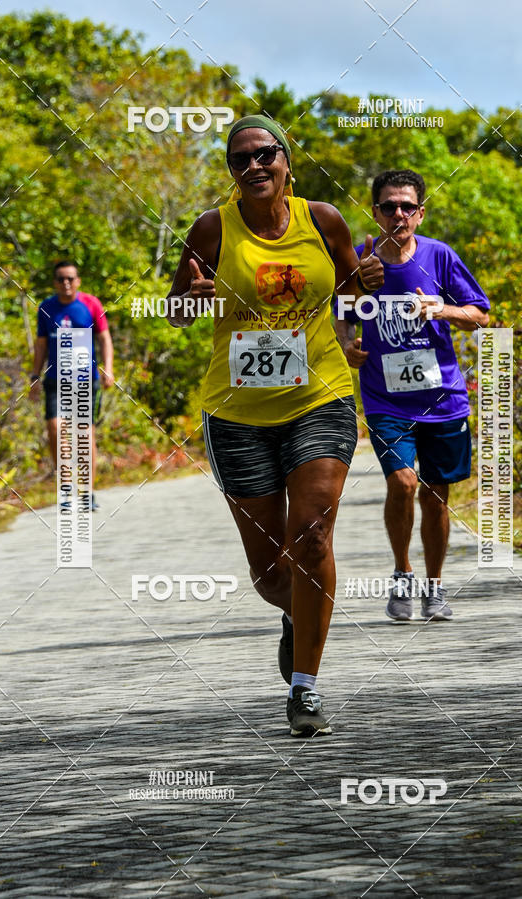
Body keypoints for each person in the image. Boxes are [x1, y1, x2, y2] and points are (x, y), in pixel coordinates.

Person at [167, 115, 383, 737]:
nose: (254, 166)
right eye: (240, 160)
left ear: (287, 161)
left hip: (320, 395)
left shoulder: (325, 220)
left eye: (265, 154)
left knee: (312, 538)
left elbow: (350, 294)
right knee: (271, 575)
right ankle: (297, 615)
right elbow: (180, 313)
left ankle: (306, 687)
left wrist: (359, 305)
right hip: (237, 414)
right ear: (231, 172)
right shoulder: (212, 227)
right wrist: (190, 295)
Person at [335, 169, 490, 622]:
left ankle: (435, 587)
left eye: (406, 206)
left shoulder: (440, 257)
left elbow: (480, 314)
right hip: (386, 399)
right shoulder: (361, 260)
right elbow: (343, 311)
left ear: (419, 214)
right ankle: (402, 572)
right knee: (402, 482)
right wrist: (348, 343)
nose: (397, 213)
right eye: (388, 206)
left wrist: (440, 308)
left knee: (436, 495)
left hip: (442, 398)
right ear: (376, 212)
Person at [30, 261, 114, 511]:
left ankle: (87, 492)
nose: (65, 283)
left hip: (86, 379)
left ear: (78, 281)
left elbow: (104, 338)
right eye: (60, 279)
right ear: (54, 282)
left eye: (70, 278)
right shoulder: (46, 308)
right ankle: (66, 490)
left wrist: (108, 368)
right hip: (56, 379)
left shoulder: (91, 304)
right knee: (56, 430)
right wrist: (34, 375)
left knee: (84, 434)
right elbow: (41, 345)